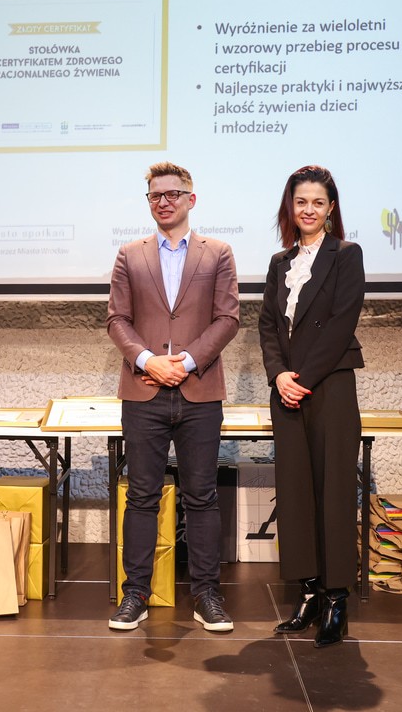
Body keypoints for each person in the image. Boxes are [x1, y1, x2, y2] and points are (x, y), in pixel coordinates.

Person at [106, 162, 240, 632]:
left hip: (200, 391)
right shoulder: (130, 254)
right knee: (141, 496)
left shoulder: (217, 253)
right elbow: (117, 320)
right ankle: (135, 594)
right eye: (155, 195)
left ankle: (206, 595)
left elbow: (228, 318)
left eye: (172, 194)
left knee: (201, 496)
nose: (163, 201)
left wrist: (185, 362)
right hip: (143, 391)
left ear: (190, 199)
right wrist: (148, 361)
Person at [258, 164, 365, 648]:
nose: (308, 209)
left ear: (330, 208)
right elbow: (267, 324)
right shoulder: (279, 262)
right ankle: (307, 594)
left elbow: (343, 323)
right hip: (287, 388)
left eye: (318, 202)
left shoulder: (346, 254)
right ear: (291, 207)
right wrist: (279, 375)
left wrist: (301, 379)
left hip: (330, 386)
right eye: (301, 202)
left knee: (334, 490)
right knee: (296, 491)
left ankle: (336, 598)